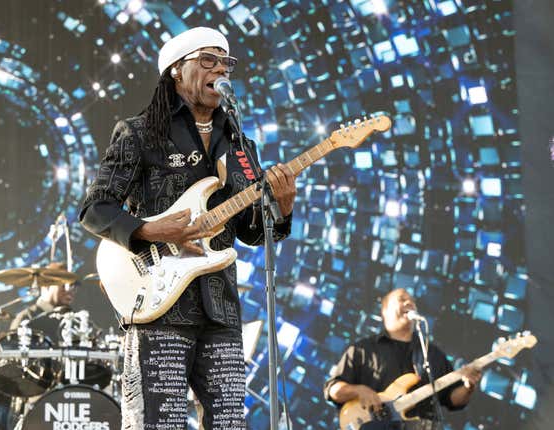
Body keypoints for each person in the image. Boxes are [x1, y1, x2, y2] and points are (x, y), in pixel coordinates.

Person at [80, 26, 296, 429]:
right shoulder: (141, 133)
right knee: (159, 423)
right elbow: (96, 209)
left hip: (221, 309)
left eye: (225, 62)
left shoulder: (240, 146)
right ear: (177, 71)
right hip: (160, 306)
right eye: (207, 60)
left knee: (231, 422)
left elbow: (252, 234)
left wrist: (281, 209)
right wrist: (152, 231)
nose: (220, 69)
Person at [324, 288, 482, 429]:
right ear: (384, 311)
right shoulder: (363, 349)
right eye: (402, 299)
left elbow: (452, 399)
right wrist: (358, 390)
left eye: (412, 301)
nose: (409, 302)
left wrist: (468, 387)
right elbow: (333, 389)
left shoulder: (432, 354)